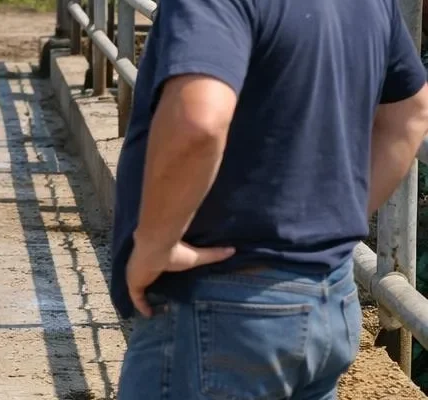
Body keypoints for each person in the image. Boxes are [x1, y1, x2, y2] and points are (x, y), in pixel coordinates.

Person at [109, 0, 428, 396]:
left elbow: (199, 123)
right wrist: (331, 221)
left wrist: (155, 244)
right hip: (329, 297)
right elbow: (411, 112)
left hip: (223, 307)